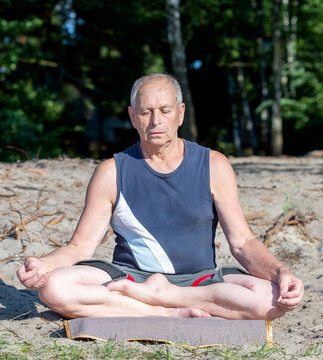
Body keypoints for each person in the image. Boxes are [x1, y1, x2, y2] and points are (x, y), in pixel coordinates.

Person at [17, 73, 304, 320]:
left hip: (199, 280)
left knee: (272, 300)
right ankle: (165, 311)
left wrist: (281, 272)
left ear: (180, 113)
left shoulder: (214, 165)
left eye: (165, 111)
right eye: (146, 112)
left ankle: (167, 297)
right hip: (130, 277)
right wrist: (46, 265)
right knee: (54, 288)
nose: (156, 121)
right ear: (132, 116)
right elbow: (80, 248)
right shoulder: (110, 172)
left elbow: (243, 243)